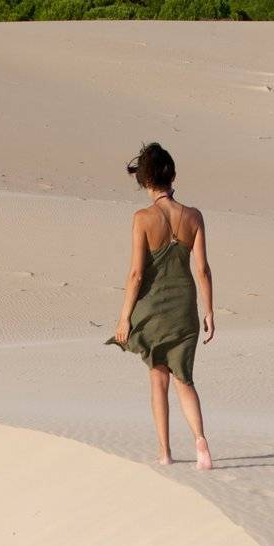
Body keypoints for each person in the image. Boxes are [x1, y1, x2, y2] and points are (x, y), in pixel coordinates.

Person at [106, 142, 214, 470]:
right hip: (185, 308)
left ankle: (165, 451)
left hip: (154, 310)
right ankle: (201, 442)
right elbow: (203, 269)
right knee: (185, 378)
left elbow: (137, 273)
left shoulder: (142, 218)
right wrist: (209, 310)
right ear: (173, 176)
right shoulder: (194, 216)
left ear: (145, 181)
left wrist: (124, 318)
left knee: (158, 377)